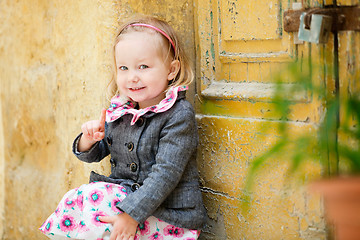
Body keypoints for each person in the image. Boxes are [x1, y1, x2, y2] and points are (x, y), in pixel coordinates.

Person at [39, 15, 207, 240]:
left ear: (171, 70)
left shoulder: (178, 114)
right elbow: (98, 152)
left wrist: (131, 215)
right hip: (127, 201)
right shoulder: (121, 110)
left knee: (94, 197)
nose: (132, 77)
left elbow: (166, 174)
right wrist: (89, 139)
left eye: (143, 66)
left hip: (168, 215)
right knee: (81, 197)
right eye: (124, 68)